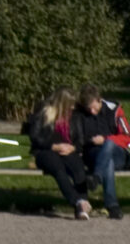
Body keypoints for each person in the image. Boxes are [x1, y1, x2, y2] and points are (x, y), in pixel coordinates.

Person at [25, 87, 95, 220]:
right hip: (46, 151)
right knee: (58, 169)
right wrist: (54, 146)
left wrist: (73, 148)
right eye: (70, 104)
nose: (73, 107)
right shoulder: (44, 113)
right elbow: (35, 136)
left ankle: (82, 206)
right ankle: (78, 202)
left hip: (68, 150)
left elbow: (80, 139)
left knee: (78, 169)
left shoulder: (75, 116)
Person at [73, 82, 130, 219]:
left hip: (117, 152)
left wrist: (106, 139)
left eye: (94, 108)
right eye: (88, 109)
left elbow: (127, 137)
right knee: (108, 162)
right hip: (93, 154)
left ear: (99, 99)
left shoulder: (114, 110)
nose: (92, 112)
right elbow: (77, 137)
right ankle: (112, 206)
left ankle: (97, 178)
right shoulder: (80, 114)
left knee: (109, 143)